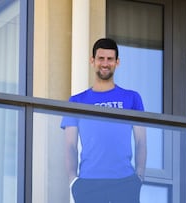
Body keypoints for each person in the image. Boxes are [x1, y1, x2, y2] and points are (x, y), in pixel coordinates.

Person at [61, 38, 147, 203]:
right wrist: (73, 180)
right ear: (92, 61)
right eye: (101, 58)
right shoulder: (77, 101)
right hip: (88, 182)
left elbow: (141, 141)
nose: (105, 63)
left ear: (117, 62)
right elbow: (70, 145)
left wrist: (139, 176)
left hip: (125, 181)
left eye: (110, 59)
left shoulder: (132, 98)